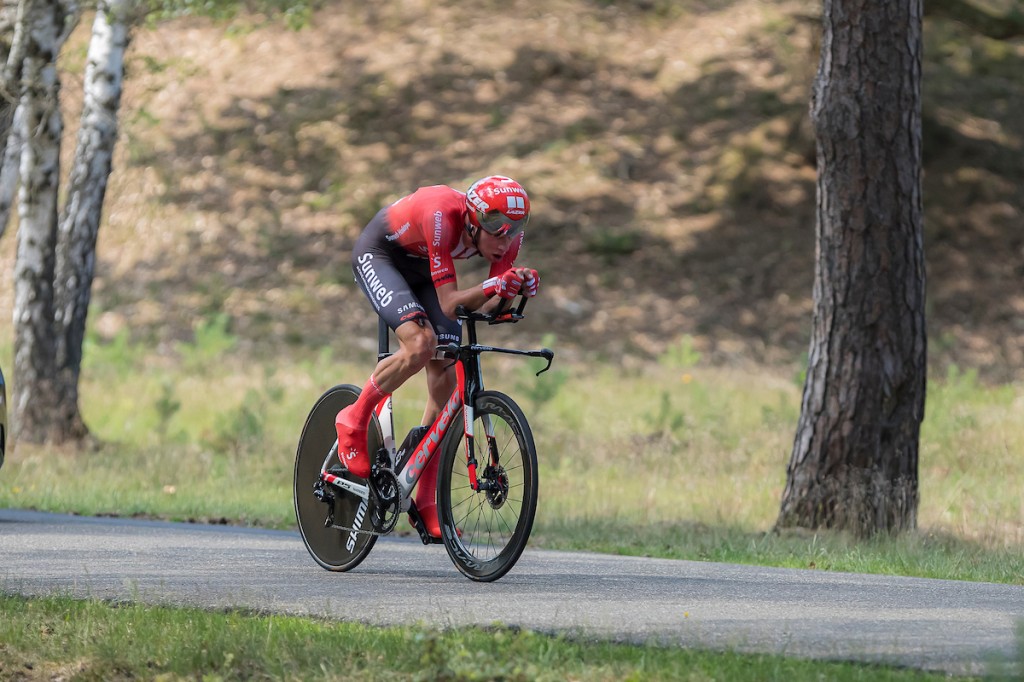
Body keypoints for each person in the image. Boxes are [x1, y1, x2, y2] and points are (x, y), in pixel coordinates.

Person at [337, 175, 540, 538]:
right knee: (420, 345)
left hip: (424, 269)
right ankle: (354, 417)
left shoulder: (508, 236)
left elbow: (490, 306)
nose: (505, 242)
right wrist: (495, 285)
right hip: (381, 255)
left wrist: (513, 287)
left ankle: (427, 500)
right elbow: (450, 302)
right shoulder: (441, 214)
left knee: (446, 376)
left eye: (514, 233)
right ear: (474, 220)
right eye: (497, 234)